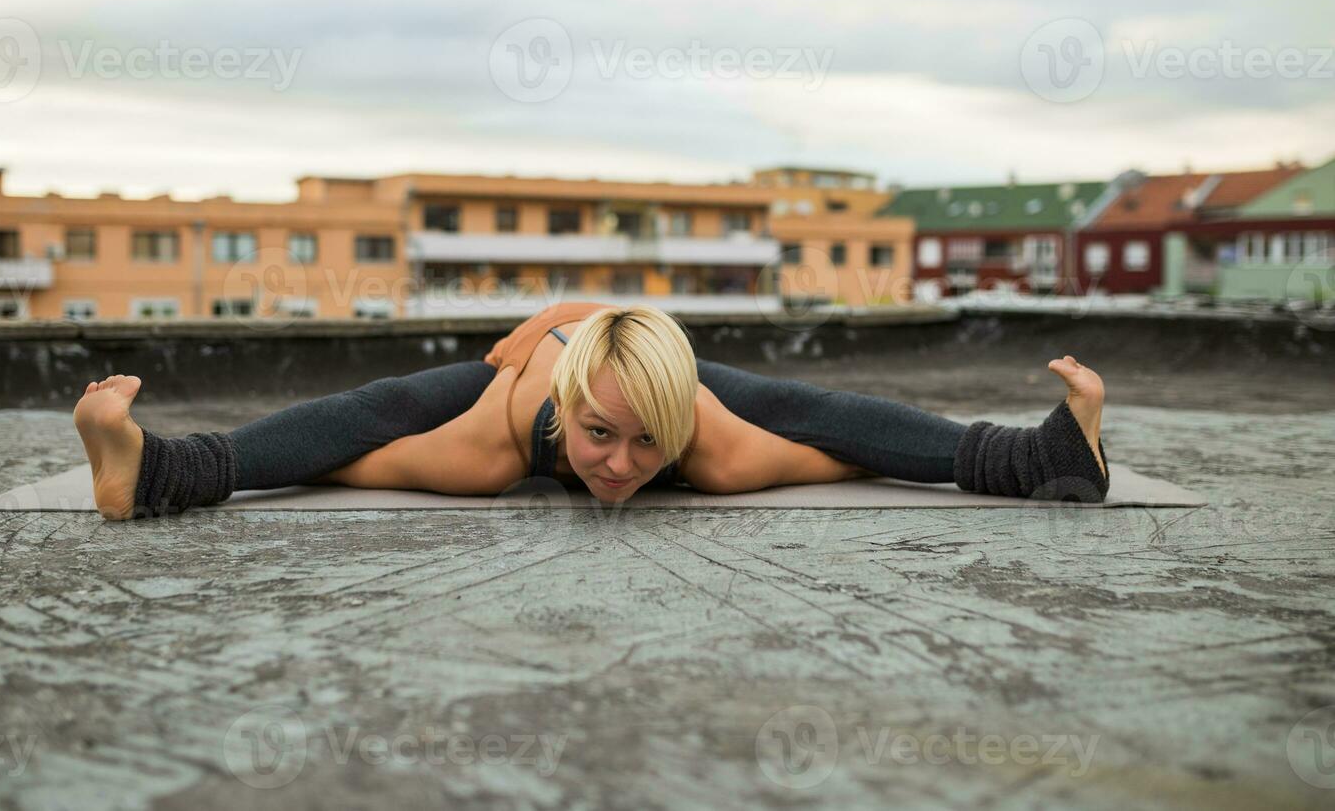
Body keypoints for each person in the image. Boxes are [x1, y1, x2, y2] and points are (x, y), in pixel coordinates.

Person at [73, 302, 1109, 521]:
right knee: (383, 404)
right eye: (602, 438)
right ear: (570, 419)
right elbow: (345, 448)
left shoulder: (714, 446)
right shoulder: (493, 444)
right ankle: (152, 469)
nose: (618, 466)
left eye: (646, 445)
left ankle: (1035, 453)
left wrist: (1033, 451)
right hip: (530, 366)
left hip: (650, 349)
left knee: (797, 405)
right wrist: (191, 465)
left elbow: (831, 438)